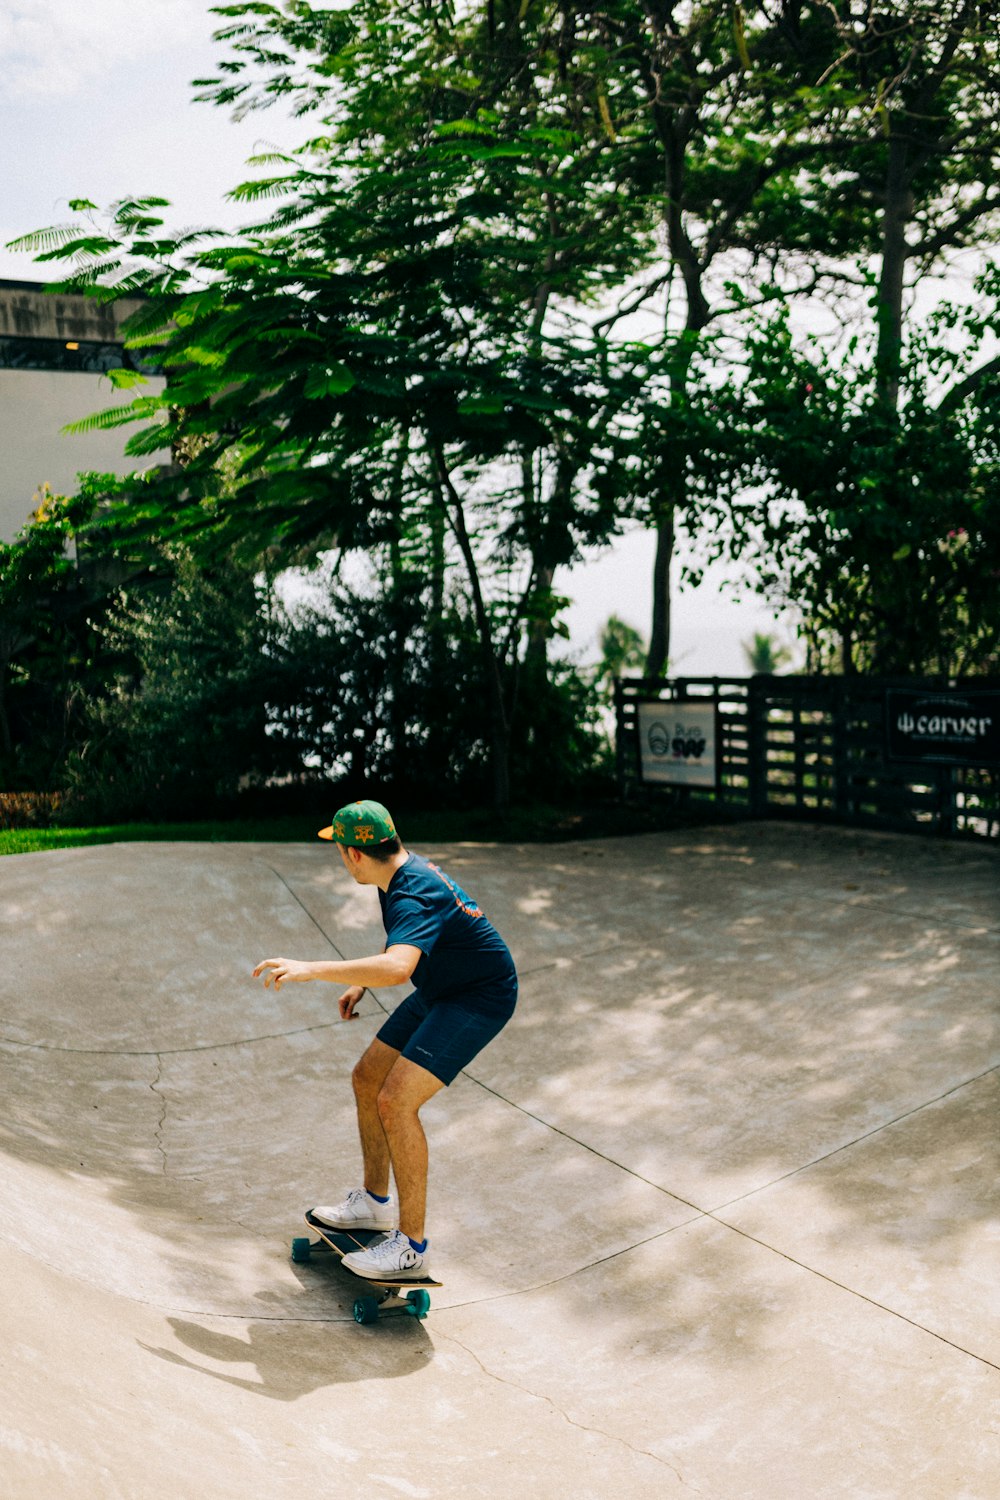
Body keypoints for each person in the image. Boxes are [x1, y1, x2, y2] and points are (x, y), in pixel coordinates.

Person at [253, 799, 517, 1282]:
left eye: (340, 850)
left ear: (354, 854)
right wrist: (362, 981)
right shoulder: (397, 872)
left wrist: (313, 970)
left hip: (478, 997)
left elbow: (399, 966)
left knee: (395, 1101)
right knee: (367, 1077)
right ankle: (375, 1205)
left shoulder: (411, 889)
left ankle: (411, 1248)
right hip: (442, 986)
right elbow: (406, 939)